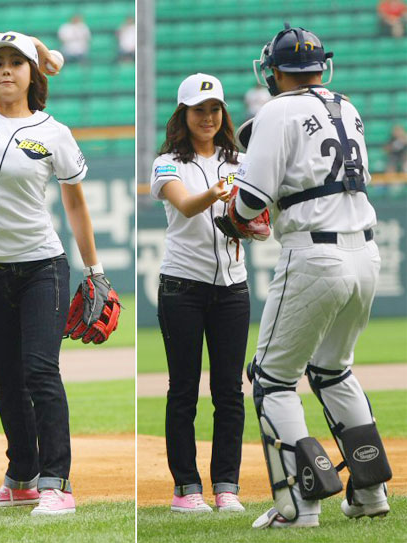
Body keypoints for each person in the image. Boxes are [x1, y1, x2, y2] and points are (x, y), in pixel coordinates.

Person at [0, 31, 111, 515]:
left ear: (32, 75)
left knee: (39, 371)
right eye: (0, 63)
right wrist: (43, 48)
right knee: (6, 380)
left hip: (41, 268)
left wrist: (94, 270)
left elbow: (75, 205)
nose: (7, 69)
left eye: (18, 62)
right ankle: (22, 479)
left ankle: (58, 483)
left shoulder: (54, 132)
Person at [229, 24, 392, 529]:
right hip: (366, 254)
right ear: (323, 66)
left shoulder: (276, 109)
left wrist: (239, 218)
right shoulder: (348, 106)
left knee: (271, 380)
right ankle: (370, 493)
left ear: (273, 71)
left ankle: (300, 506)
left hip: (313, 253)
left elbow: (249, 202)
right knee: (332, 370)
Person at [150, 73, 251, 513]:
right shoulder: (167, 162)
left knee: (229, 390)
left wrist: (254, 223)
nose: (207, 117)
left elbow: (255, 218)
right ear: (183, 114)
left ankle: (226, 485)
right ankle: (186, 488)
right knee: (184, 391)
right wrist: (219, 193)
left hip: (233, 288)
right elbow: (187, 204)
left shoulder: (241, 161)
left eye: (214, 109)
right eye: (198, 110)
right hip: (182, 287)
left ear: (223, 113)